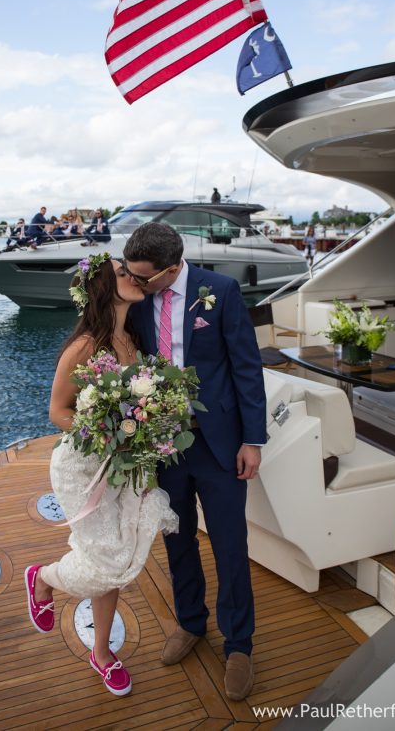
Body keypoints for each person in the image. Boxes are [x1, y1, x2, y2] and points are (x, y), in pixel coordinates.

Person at [123, 223, 266, 701]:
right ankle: (190, 622)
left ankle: (239, 644)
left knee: (230, 545)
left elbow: (246, 366)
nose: (136, 283)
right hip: (165, 446)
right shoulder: (139, 299)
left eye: (143, 277)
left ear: (171, 269)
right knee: (177, 539)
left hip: (219, 443)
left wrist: (252, 440)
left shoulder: (220, 291)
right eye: (131, 274)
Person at [24, 254, 177, 697]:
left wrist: (146, 433)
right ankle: (44, 578)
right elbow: (57, 412)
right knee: (108, 559)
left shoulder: (132, 339)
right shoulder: (85, 346)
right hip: (82, 468)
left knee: (117, 557)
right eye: (122, 273)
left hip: (125, 466)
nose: (133, 277)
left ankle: (101, 652)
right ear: (104, 288)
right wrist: (107, 433)